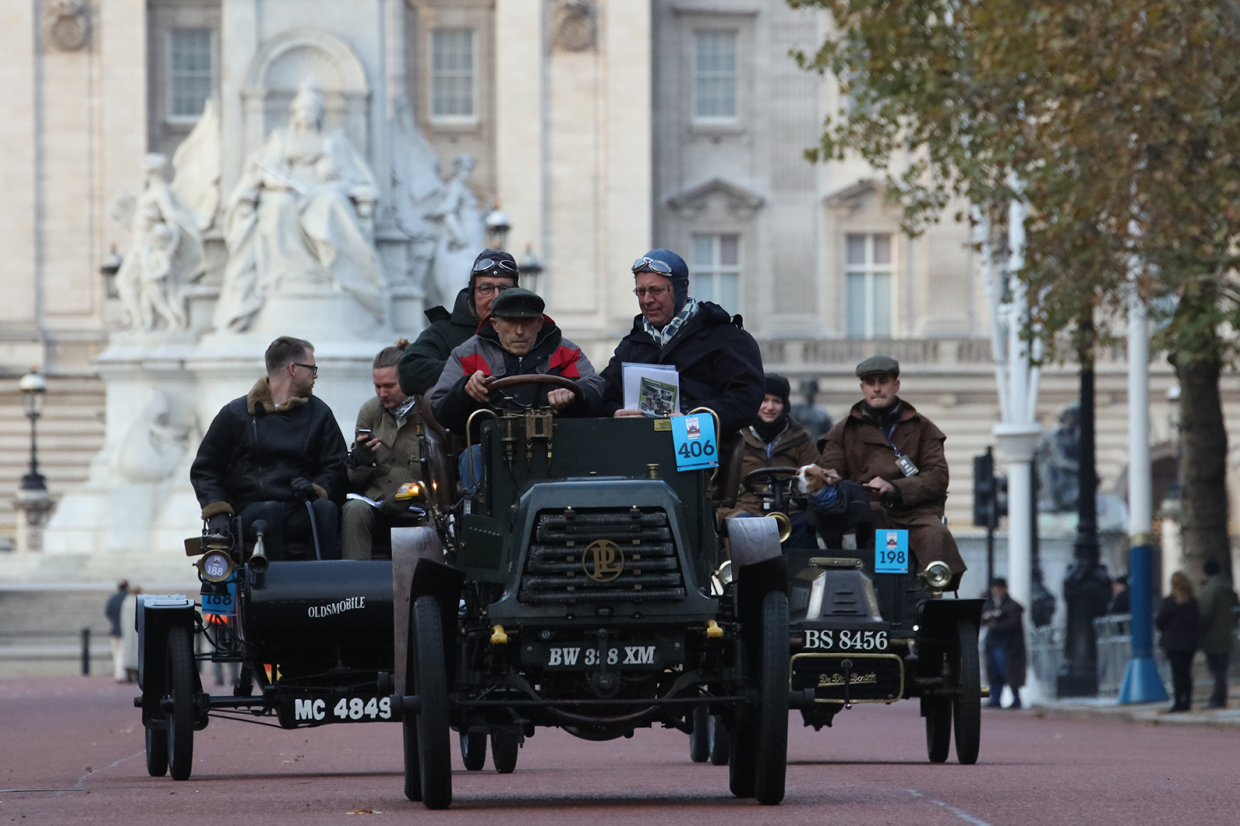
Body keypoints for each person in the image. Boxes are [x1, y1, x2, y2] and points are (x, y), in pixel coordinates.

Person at [816, 355, 967, 588]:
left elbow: (937, 476)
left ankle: (931, 596)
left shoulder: (922, 427)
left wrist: (895, 487)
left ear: (896, 385)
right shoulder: (842, 431)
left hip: (915, 514)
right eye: (870, 382)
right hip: (865, 513)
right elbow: (831, 473)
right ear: (862, 388)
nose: (876, 388)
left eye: (883, 381)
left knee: (936, 537)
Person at [190, 336, 347, 560]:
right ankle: (270, 588)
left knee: (326, 509)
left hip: (300, 508)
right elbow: (206, 469)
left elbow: (337, 466)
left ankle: (321, 587)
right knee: (269, 510)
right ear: (293, 368)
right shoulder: (236, 414)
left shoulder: (320, 413)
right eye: (312, 368)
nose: (315, 374)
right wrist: (218, 511)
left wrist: (316, 488)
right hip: (251, 511)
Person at [600, 249, 764, 435]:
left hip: (699, 455)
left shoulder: (726, 338)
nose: (647, 300)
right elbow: (604, 395)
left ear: (680, 289)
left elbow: (746, 398)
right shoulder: (632, 344)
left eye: (656, 290)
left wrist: (695, 419)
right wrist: (613, 414)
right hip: (639, 453)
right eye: (641, 291)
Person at [342, 339, 425, 559]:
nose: (381, 393)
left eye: (389, 386)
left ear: (407, 379)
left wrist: (411, 494)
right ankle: (355, 588)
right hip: (377, 505)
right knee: (353, 511)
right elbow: (355, 481)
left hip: (419, 507)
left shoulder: (430, 411)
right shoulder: (370, 411)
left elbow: (442, 474)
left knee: (439, 521)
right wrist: (359, 461)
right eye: (377, 386)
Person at [399, 249, 519, 397]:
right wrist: (467, 373)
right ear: (472, 293)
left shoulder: (535, 331)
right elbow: (410, 370)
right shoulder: (443, 332)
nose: (496, 297)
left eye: (505, 289)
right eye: (486, 289)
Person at [723, 374, 821, 548]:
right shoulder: (734, 437)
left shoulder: (801, 439)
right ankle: (747, 575)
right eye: (764, 400)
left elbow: (814, 478)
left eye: (776, 401)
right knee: (745, 528)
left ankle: (801, 574)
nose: (770, 407)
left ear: (785, 405)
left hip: (790, 510)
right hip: (745, 509)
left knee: (805, 527)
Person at [1197, 558, 1238, 709]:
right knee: (1222, 669)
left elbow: (1205, 614)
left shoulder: (1209, 591)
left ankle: (1218, 698)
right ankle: (1220, 696)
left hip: (1212, 636)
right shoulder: (1229, 590)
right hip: (1226, 634)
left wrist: (1199, 631)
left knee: (1216, 669)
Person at [1157, 571, 1200, 713]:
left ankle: (1178, 702)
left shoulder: (1170, 601)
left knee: (1177, 673)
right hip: (1189, 642)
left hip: (1174, 642)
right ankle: (1187, 701)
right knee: (1186, 673)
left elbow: (1160, 621)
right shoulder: (1193, 602)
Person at [982, 578, 1027, 709]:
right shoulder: (989, 604)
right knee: (994, 672)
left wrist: (994, 624)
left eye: (998, 588)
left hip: (1008, 646)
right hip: (993, 644)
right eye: (993, 588)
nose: (995, 591)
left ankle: (1016, 699)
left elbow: (1012, 624)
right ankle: (995, 699)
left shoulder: (1012, 606)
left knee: (1008, 672)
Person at [105, 580, 129, 683]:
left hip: (114, 629)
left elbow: (108, 612)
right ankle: (122, 674)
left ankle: (118, 674)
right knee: (123, 652)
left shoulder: (113, 598)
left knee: (116, 653)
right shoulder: (128, 599)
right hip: (125, 629)